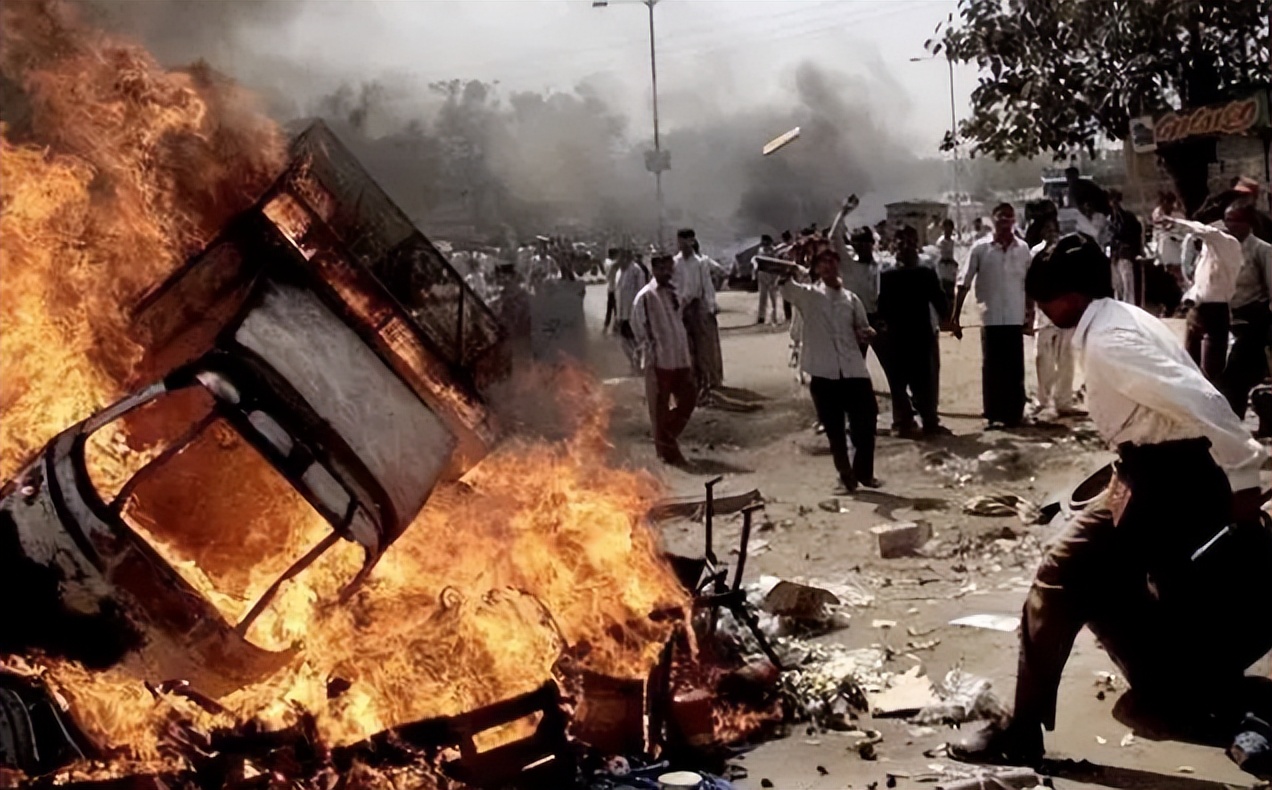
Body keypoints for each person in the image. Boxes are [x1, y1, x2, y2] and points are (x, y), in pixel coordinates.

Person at [952, 233, 1272, 778]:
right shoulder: (1120, 316)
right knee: (1142, 589)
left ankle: (1022, 730)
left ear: (1068, 298)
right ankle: (1182, 690)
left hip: (1166, 476)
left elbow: (1202, 399)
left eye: (1043, 301)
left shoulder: (1112, 340)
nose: (1042, 313)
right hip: (1149, 470)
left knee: (1059, 577)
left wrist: (1244, 476)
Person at [779, 246, 880, 492]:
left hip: (853, 369)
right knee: (835, 430)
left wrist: (867, 334)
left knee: (866, 421)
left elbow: (863, 328)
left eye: (833, 262)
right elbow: (785, 286)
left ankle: (864, 473)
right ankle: (845, 476)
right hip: (823, 372)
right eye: (823, 263)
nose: (829, 267)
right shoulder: (809, 296)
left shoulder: (851, 299)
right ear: (816, 269)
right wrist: (790, 265)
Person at [951, 203, 1031, 429]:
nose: (1004, 221)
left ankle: (1015, 414)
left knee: (1015, 369)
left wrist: (1029, 316)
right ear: (992, 220)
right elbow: (963, 283)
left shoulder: (1023, 249)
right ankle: (994, 414)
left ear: (1014, 220)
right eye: (1000, 217)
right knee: (993, 367)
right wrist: (955, 317)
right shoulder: (980, 249)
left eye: (1009, 217)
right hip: (991, 316)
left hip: (1014, 317)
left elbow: (1028, 284)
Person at [877, 226, 950, 436]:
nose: (904, 247)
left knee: (923, 380)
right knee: (899, 381)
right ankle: (905, 422)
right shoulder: (887, 275)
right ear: (894, 247)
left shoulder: (925, 272)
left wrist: (947, 320)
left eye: (908, 243)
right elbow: (881, 305)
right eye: (900, 242)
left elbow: (939, 299)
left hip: (920, 334)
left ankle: (929, 421)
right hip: (898, 335)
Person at [631, 253, 697, 465]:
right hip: (660, 361)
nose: (668, 273)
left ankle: (667, 435)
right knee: (659, 407)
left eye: (670, 269)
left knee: (689, 397)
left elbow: (680, 325)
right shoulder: (645, 296)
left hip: (680, 358)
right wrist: (650, 352)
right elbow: (637, 327)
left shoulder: (674, 293)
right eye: (663, 269)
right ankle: (667, 453)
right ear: (654, 269)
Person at [1219, 201, 1272, 419]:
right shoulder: (1225, 249)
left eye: (1234, 221)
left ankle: (1233, 421)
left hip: (1254, 320)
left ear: (1246, 224)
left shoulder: (1262, 250)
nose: (1229, 226)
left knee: (1235, 374)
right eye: (1227, 220)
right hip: (1229, 318)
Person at [1026, 217, 1076, 416]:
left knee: (1066, 359)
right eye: (1047, 229)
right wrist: (1030, 310)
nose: (1051, 233)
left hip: (1065, 313)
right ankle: (1043, 399)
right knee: (1043, 358)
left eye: (1053, 230)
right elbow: (1030, 282)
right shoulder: (1035, 253)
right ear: (1042, 233)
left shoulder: (1067, 252)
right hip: (1044, 312)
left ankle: (1064, 402)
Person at [673, 229, 724, 399]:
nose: (683, 245)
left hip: (698, 306)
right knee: (687, 348)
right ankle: (692, 383)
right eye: (680, 241)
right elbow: (675, 287)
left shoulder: (700, 262)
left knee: (704, 347)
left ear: (692, 241)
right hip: (682, 308)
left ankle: (706, 382)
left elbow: (707, 286)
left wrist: (711, 306)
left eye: (686, 241)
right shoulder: (675, 263)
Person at [1108, 189, 1144, 304]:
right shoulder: (1111, 218)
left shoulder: (1126, 217)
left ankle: (1130, 309)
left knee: (1128, 286)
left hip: (1125, 254)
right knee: (1118, 286)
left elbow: (1134, 234)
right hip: (1115, 255)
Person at [615, 249, 649, 373]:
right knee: (624, 342)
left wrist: (641, 313)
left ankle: (639, 365)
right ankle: (634, 362)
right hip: (622, 313)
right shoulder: (620, 272)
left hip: (633, 313)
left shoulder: (636, 271)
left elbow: (642, 292)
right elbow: (618, 294)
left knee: (636, 340)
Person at [1152, 191, 1186, 283]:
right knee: (1166, 275)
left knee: (1178, 274)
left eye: (1168, 203)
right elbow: (1156, 231)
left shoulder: (1179, 216)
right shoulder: (1158, 214)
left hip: (1176, 250)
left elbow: (1184, 233)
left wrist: (1175, 235)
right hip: (1163, 251)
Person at [755, 234, 781, 324]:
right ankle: (761, 317)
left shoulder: (773, 251)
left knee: (773, 299)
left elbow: (776, 264)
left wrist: (775, 278)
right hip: (763, 276)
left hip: (771, 276)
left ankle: (774, 317)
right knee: (763, 298)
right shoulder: (761, 251)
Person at [936, 218, 959, 316]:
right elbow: (940, 257)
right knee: (943, 292)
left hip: (951, 271)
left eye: (950, 228)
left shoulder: (954, 242)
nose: (948, 231)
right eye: (946, 228)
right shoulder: (940, 242)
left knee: (951, 294)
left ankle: (950, 315)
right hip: (943, 270)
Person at [602, 246, 621, 333]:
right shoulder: (609, 263)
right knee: (616, 309)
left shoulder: (607, 262)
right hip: (614, 289)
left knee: (611, 309)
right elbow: (615, 264)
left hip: (611, 288)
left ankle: (607, 327)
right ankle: (614, 328)